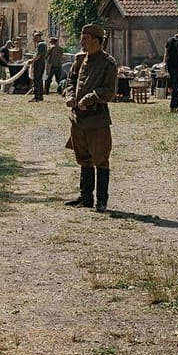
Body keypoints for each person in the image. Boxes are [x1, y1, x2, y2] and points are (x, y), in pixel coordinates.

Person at [63, 23, 117, 213]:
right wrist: (69, 96)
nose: (82, 43)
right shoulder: (79, 60)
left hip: (97, 119)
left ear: (96, 40)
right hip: (78, 119)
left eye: (85, 40)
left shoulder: (108, 64)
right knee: (83, 158)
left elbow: (109, 90)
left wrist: (91, 98)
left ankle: (101, 200)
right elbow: (70, 81)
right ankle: (86, 197)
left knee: (100, 159)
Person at [29, 31, 48, 102]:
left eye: (35, 37)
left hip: (39, 64)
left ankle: (37, 96)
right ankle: (39, 96)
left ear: (38, 37)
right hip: (39, 64)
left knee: (37, 80)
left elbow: (38, 55)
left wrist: (32, 61)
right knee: (39, 80)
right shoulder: (40, 44)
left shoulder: (41, 44)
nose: (34, 39)